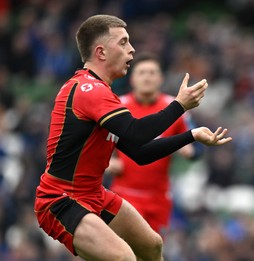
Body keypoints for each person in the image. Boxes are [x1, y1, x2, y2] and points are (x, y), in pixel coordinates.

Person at [33, 14, 232, 261]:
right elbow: (137, 134)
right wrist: (180, 105)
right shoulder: (88, 91)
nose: (132, 49)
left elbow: (140, 153)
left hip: (93, 194)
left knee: (151, 245)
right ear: (101, 52)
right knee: (123, 258)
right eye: (124, 42)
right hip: (61, 200)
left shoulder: (103, 94)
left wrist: (191, 134)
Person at [107, 52, 203, 234]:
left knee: (153, 251)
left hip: (159, 197)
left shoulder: (176, 107)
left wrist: (191, 152)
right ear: (132, 79)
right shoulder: (118, 107)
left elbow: (198, 144)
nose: (147, 77)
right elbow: (96, 143)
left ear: (161, 78)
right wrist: (108, 161)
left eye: (152, 73)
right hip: (124, 194)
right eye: (142, 73)